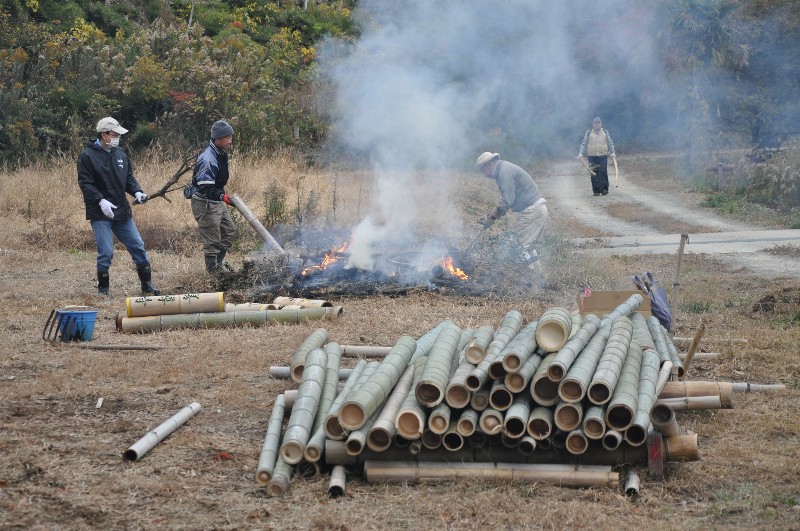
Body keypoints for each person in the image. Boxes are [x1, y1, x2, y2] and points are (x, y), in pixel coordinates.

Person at [77, 117, 160, 296]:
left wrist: (137, 192)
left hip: (122, 211)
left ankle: (147, 284)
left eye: (118, 135)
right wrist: (100, 200)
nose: (117, 138)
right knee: (106, 251)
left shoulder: (120, 153)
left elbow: (128, 178)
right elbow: (85, 183)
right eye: (114, 134)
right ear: (104, 134)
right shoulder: (87, 156)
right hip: (100, 212)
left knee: (138, 245)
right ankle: (103, 289)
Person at [475, 152, 548, 276]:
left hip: (533, 211)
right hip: (537, 210)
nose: (485, 176)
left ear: (489, 165)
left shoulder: (505, 171)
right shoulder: (504, 168)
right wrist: (492, 216)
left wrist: (492, 217)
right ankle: (539, 277)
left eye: (483, 172)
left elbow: (507, 200)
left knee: (518, 246)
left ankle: (527, 279)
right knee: (528, 246)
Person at [191, 120, 236, 273]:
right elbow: (207, 187)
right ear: (216, 138)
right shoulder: (208, 159)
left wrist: (222, 197)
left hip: (216, 200)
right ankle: (212, 274)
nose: (230, 141)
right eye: (226, 138)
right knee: (212, 240)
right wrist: (223, 197)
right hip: (205, 203)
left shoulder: (221, 153)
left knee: (229, 231)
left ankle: (218, 265)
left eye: (230, 137)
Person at [578, 117, 616, 196]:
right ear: (593, 124)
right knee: (593, 173)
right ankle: (596, 191)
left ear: (601, 124)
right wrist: (581, 153)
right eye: (595, 123)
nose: (597, 125)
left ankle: (604, 190)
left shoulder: (605, 132)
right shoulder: (589, 133)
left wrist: (613, 153)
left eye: (599, 123)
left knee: (603, 172)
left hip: (603, 155)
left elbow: (610, 143)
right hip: (592, 156)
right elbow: (584, 143)